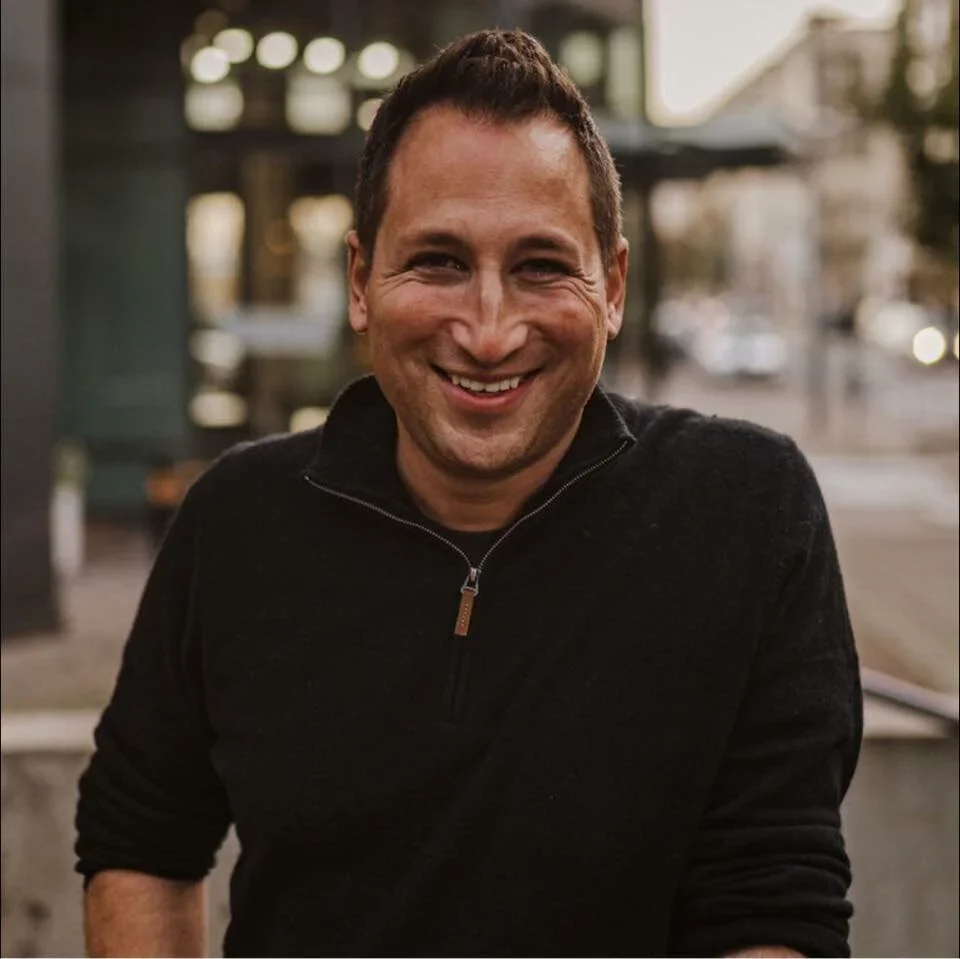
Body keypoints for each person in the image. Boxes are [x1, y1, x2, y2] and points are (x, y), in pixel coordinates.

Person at [76, 29, 862, 958]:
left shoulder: (747, 512)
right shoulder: (237, 520)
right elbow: (140, 838)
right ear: (361, 281)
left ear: (612, 287)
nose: (489, 332)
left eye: (540, 266)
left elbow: (773, 902)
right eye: (439, 262)